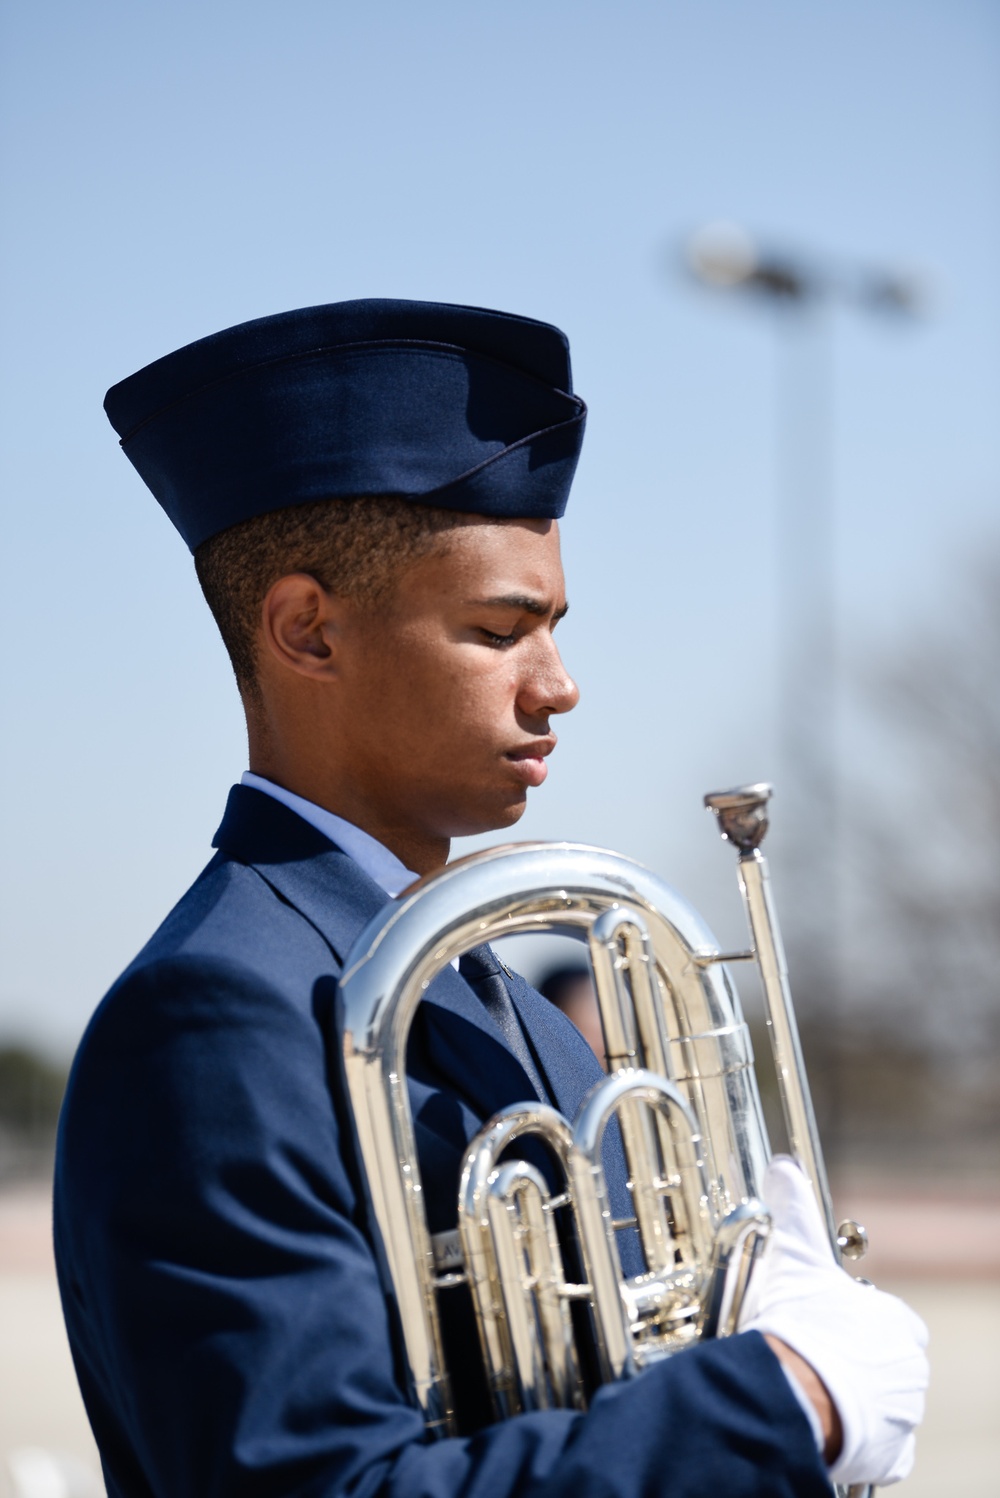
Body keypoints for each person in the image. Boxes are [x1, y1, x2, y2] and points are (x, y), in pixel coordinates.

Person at [53, 298, 927, 1498]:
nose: (559, 685)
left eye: (554, 629)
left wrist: (734, 1324)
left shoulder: (474, 982)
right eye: (497, 630)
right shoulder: (216, 1016)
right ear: (308, 631)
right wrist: (780, 1395)